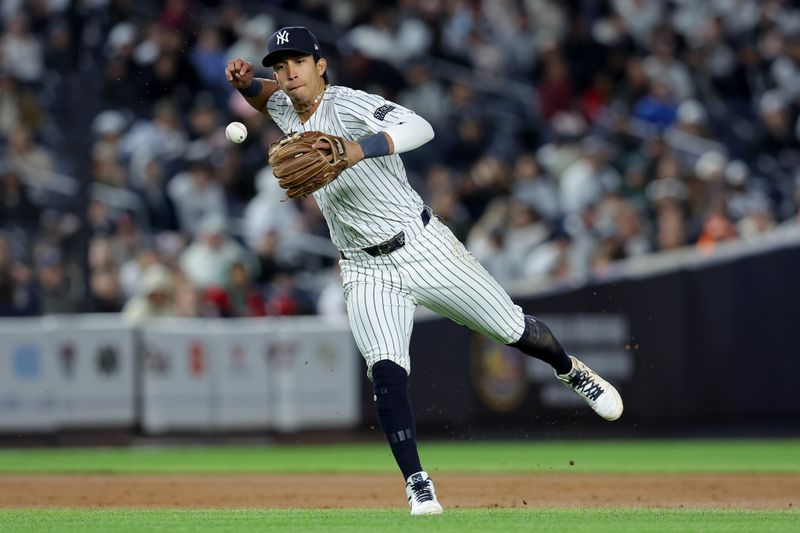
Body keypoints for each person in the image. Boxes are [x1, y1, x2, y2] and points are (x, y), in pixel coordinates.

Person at [225, 26, 623, 516]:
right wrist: (245, 83)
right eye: (279, 65)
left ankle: (571, 370)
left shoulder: (347, 104)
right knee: (387, 373)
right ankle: (418, 484)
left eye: (298, 62)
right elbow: (268, 99)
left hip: (423, 245)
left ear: (320, 65)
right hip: (364, 269)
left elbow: (421, 127)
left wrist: (355, 149)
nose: (288, 73)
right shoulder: (286, 104)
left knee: (512, 327)